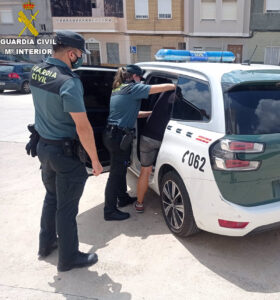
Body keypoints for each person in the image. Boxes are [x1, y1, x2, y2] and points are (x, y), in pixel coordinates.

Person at [30, 30, 103, 272]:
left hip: (44, 147)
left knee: (51, 198)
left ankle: (46, 243)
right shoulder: (69, 83)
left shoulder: (37, 71)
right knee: (67, 207)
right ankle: (69, 258)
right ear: (71, 53)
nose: (81, 58)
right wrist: (95, 160)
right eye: (80, 54)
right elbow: (83, 128)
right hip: (64, 154)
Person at [103, 64, 176, 221]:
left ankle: (122, 198)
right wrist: (175, 85)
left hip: (112, 134)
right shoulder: (132, 88)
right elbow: (160, 88)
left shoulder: (118, 89)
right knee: (115, 174)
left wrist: (154, 114)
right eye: (140, 79)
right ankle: (109, 210)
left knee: (121, 169)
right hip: (118, 136)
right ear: (134, 77)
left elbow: (133, 113)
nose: (141, 81)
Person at [136, 89, 176, 212]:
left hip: (148, 137)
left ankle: (139, 204)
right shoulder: (183, 97)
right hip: (166, 139)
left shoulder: (164, 92)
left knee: (145, 171)